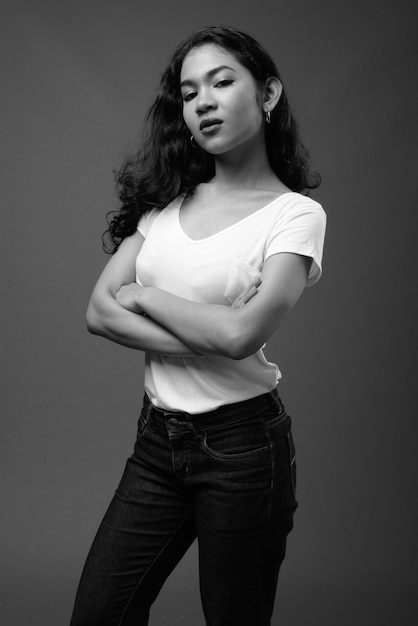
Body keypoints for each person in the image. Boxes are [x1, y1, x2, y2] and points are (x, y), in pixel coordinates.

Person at [70, 25, 326, 626]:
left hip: (242, 449)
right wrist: (208, 325)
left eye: (221, 81)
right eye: (188, 93)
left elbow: (241, 339)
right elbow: (97, 312)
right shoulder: (165, 207)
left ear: (268, 95)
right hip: (157, 444)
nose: (203, 101)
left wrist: (141, 294)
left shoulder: (295, 215)